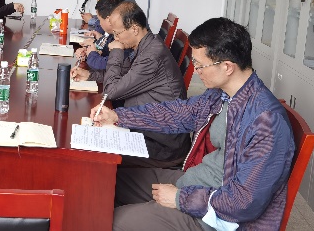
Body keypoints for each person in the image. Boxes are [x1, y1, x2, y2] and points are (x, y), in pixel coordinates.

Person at [92, 17, 295, 231]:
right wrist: (118, 117)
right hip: (194, 183)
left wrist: (180, 198)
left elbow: (243, 202)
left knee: (111, 221)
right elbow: (179, 112)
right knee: (105, 180)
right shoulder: (222, 95)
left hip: (214, 215)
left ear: (227, 67)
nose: (196, 70)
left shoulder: (266, 122)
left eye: (200, 65)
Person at [72, 1, 190, 166]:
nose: (115, 38)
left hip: (161, 145)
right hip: (146, 129)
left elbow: (110, 91)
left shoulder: (152, 56)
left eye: (117, 33)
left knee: (91, 155)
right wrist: (90, 75)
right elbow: (123, 74)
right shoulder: (147, 44)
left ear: (134, 29)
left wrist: (116, 51)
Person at [75, 0, 124, 71]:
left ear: (108, 20)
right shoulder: (113, 33)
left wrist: (91, 54)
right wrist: (89, 51)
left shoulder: (123, 38)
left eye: (100, 20)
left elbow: (106, 65)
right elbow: (107, 51)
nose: (99, 23)